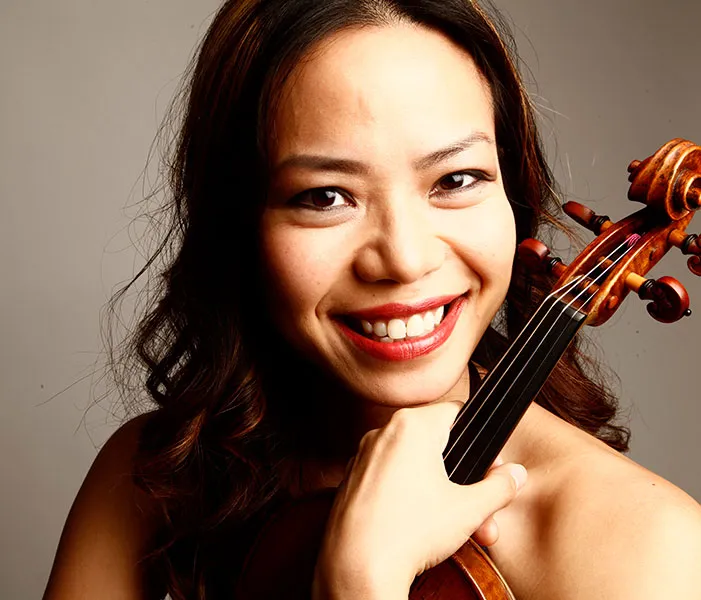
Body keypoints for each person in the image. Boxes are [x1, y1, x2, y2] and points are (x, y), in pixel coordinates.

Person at [44, 1, 701, 599]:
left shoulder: (648, 552)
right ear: (238, 225)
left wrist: (357, 583)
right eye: (325, 196)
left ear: (515, 197)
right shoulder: (153, 480)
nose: (405, 259)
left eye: (456, 179)